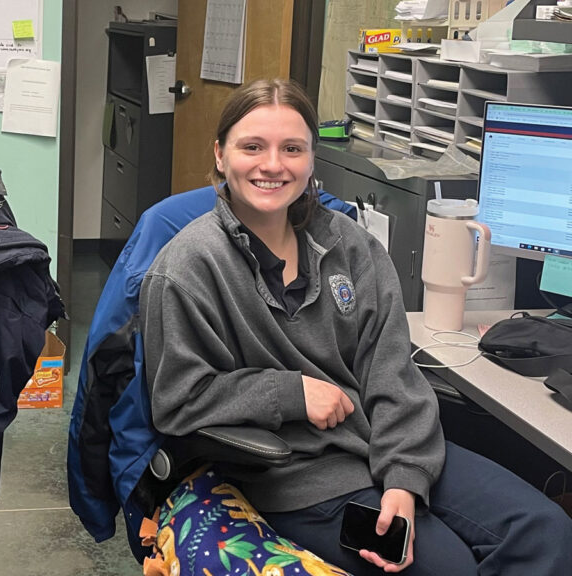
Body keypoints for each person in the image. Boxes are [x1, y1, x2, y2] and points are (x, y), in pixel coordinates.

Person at [140, 78, 572, 575]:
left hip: (384, 444)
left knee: (544, 531)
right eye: (252, 146)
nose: (273, 164)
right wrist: (290, 393)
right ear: (220, 155)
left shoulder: (351, 245)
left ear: (311, 159)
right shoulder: (186, 269)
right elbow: (177, 399)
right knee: (449, 566)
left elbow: (392, 374)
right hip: (297, 471)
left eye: (292, 148)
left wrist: (404, 480)